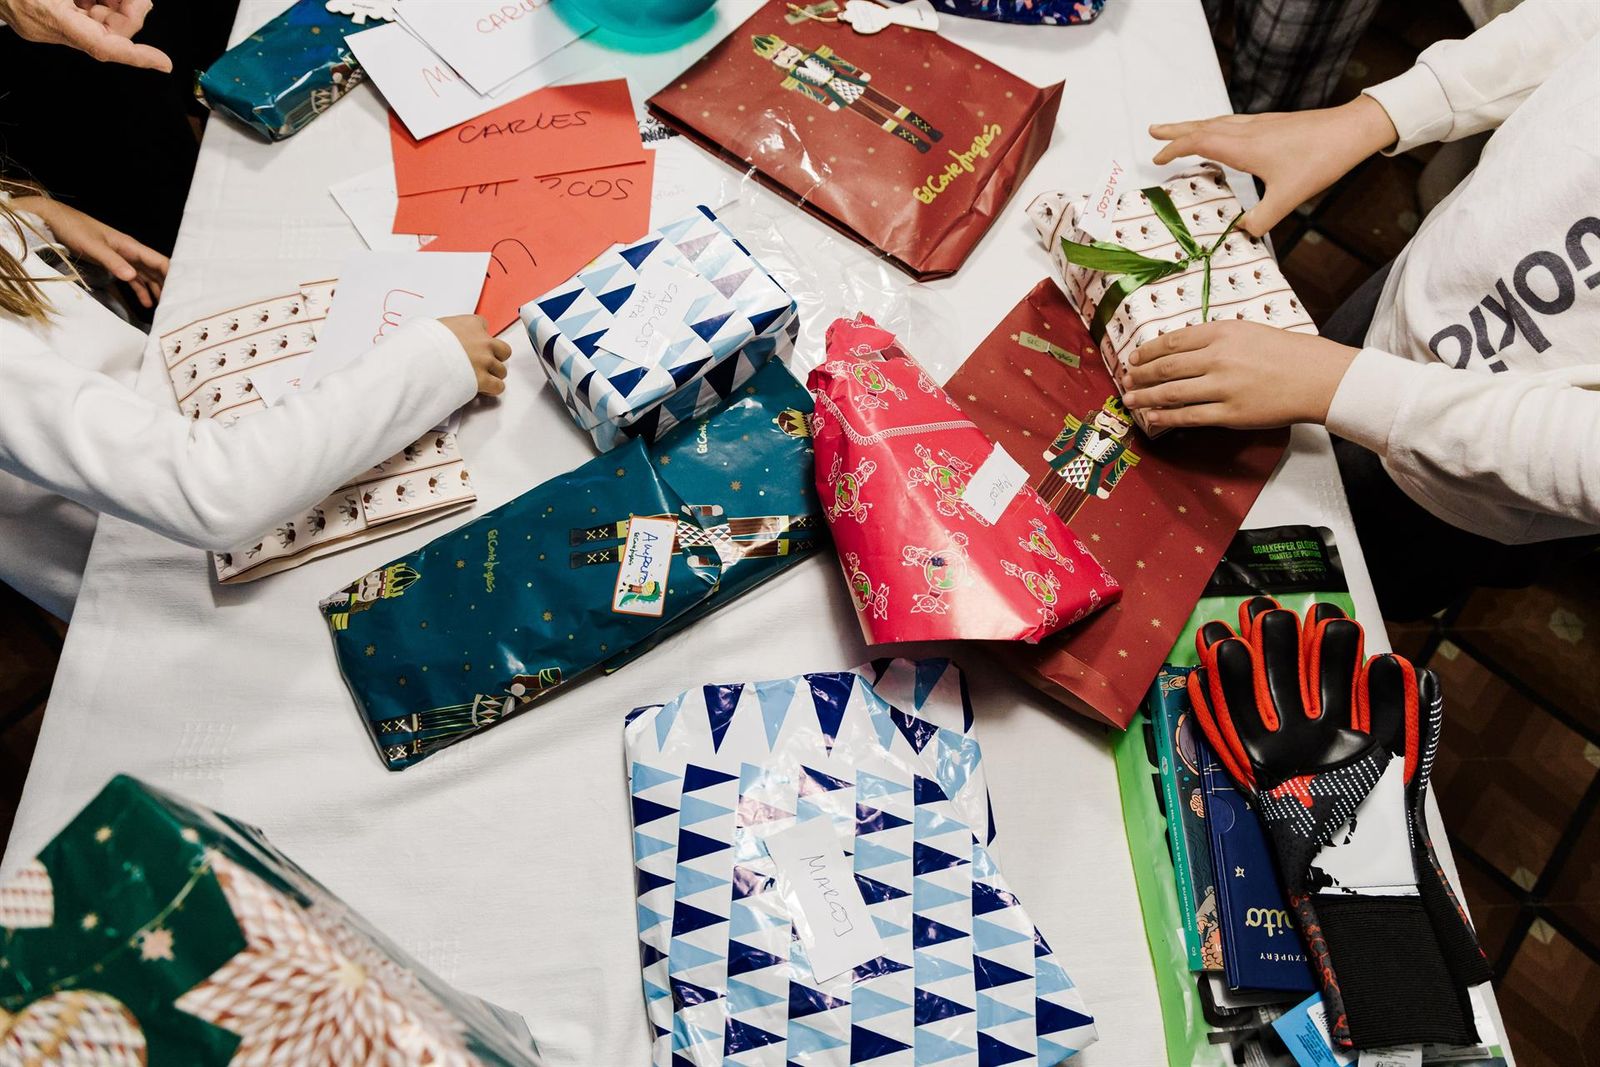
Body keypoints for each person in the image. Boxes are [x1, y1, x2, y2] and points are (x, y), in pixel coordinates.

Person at [1122, 0, 1600, 618]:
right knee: (1246, 488)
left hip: (1472, 492)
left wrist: (1341, 385)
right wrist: (1376, 115)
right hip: (1415, 295)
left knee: (1323, 596)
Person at [0, 186, 511, 619]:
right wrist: (434, 361)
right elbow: (216, 492)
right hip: (156, 563)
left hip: (177, 421)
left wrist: (23, 214)